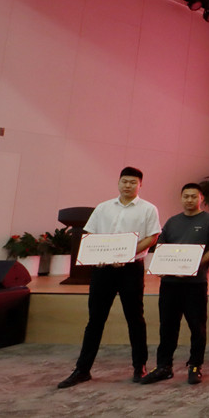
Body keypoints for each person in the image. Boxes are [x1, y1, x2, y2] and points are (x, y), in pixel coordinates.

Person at [58, 167, 162, 389]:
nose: (128, 185)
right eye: (124, 181)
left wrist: (125, 254)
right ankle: (82, 370)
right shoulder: (103, 207)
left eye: (133, 182)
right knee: (95, 320)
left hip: (130, 269)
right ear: (118, 182)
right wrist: (98, 255)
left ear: (140, 185)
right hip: (102, 269)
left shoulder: (148, 209)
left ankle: (139, 366)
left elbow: (152, 238)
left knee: (135, 318)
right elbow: (90, 235)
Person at [140, 183, 209, 385]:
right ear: (181, 198)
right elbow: (161, 249)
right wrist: (162, 267)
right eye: (186, 196)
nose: (189, 200)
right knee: (167, 326)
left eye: (194, 196)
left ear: (201, 198)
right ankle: (163, 366)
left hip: (195, 283)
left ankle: (195, 365)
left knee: (197, 327)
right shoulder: (172, 221)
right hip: (170, 283)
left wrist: (193, 264)